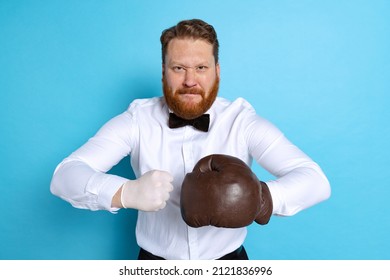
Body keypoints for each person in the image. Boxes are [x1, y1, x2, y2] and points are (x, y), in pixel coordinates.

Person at [50, 19, 331, 260]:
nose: (189, 80)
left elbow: (315, 180)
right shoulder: (136, 120)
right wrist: (125, 193)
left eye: (201, 68)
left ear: (217, 72)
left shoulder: (242, 121)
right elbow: (65, 175)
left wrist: (260, 198)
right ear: (163, 72)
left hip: (230, 264)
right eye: (178, 68)